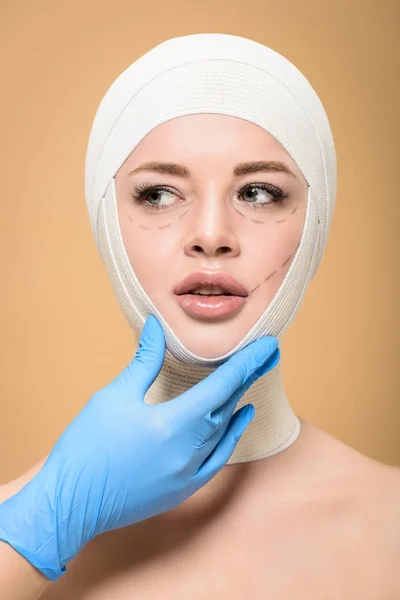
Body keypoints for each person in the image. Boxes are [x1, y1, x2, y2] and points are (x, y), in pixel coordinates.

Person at [1, 32, 400, 599]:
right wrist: (40, 526)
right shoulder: (23, 528)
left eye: (259, 193)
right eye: (159, 195)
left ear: (317, 222)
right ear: (105, 221)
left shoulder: (392, 527)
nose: (211, 236)